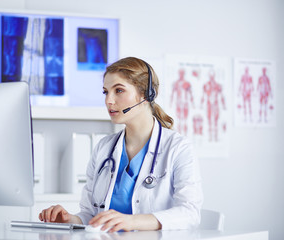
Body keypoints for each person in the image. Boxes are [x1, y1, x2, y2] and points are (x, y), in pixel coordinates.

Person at [39, 57, 203, 232]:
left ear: (147, 94)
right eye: (105, 92)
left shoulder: (178, 148)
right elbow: (91, 214)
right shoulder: (103, 148)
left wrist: (132, 221)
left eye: (118, 90)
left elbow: (190, 213)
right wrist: (70, 219)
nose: (109, 100)